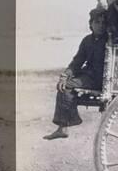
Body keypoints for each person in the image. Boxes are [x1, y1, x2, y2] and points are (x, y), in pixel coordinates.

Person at [44, 9, 108, 140]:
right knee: (63, 85)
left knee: (66, 86)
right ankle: (64, 126)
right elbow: (77, 61)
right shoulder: (87, 40)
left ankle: (64, 126)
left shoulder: (109, 41)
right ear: (91, 24)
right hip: (88, 76)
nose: (100, 25)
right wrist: (65, 75)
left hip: (101, 79)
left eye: (103, 23)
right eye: (97, 22)